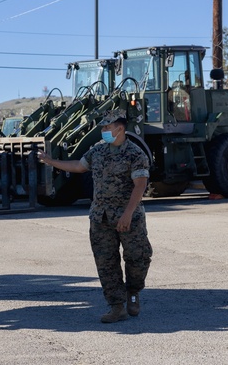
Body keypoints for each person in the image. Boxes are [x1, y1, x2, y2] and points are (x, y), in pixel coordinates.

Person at [37, 109, 153, 323]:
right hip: (101, 218)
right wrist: (50, 161)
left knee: (138, 258)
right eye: (102, 127)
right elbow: (79, 166)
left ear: (120, 128)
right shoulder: (97, 151)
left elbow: (140, 185)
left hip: (129, 216)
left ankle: (133, 292)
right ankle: (117, 307)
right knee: (105, 263)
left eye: (107, 127)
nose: (103, 130)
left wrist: (127, 214)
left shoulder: (135, 154)